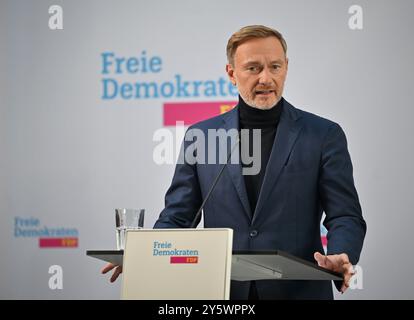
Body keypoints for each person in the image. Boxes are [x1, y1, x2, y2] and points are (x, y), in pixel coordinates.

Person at [102, 25, 366, 300]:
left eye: (275, 66)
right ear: (231, 73)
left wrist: (340, 254)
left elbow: (345, 214)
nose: (266, 78)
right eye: (253, 68)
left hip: (298, 292)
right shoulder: (201, 137)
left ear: (286, 67)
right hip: (222, 294)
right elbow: (179, 217)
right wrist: (144, 256)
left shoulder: (323, 135)